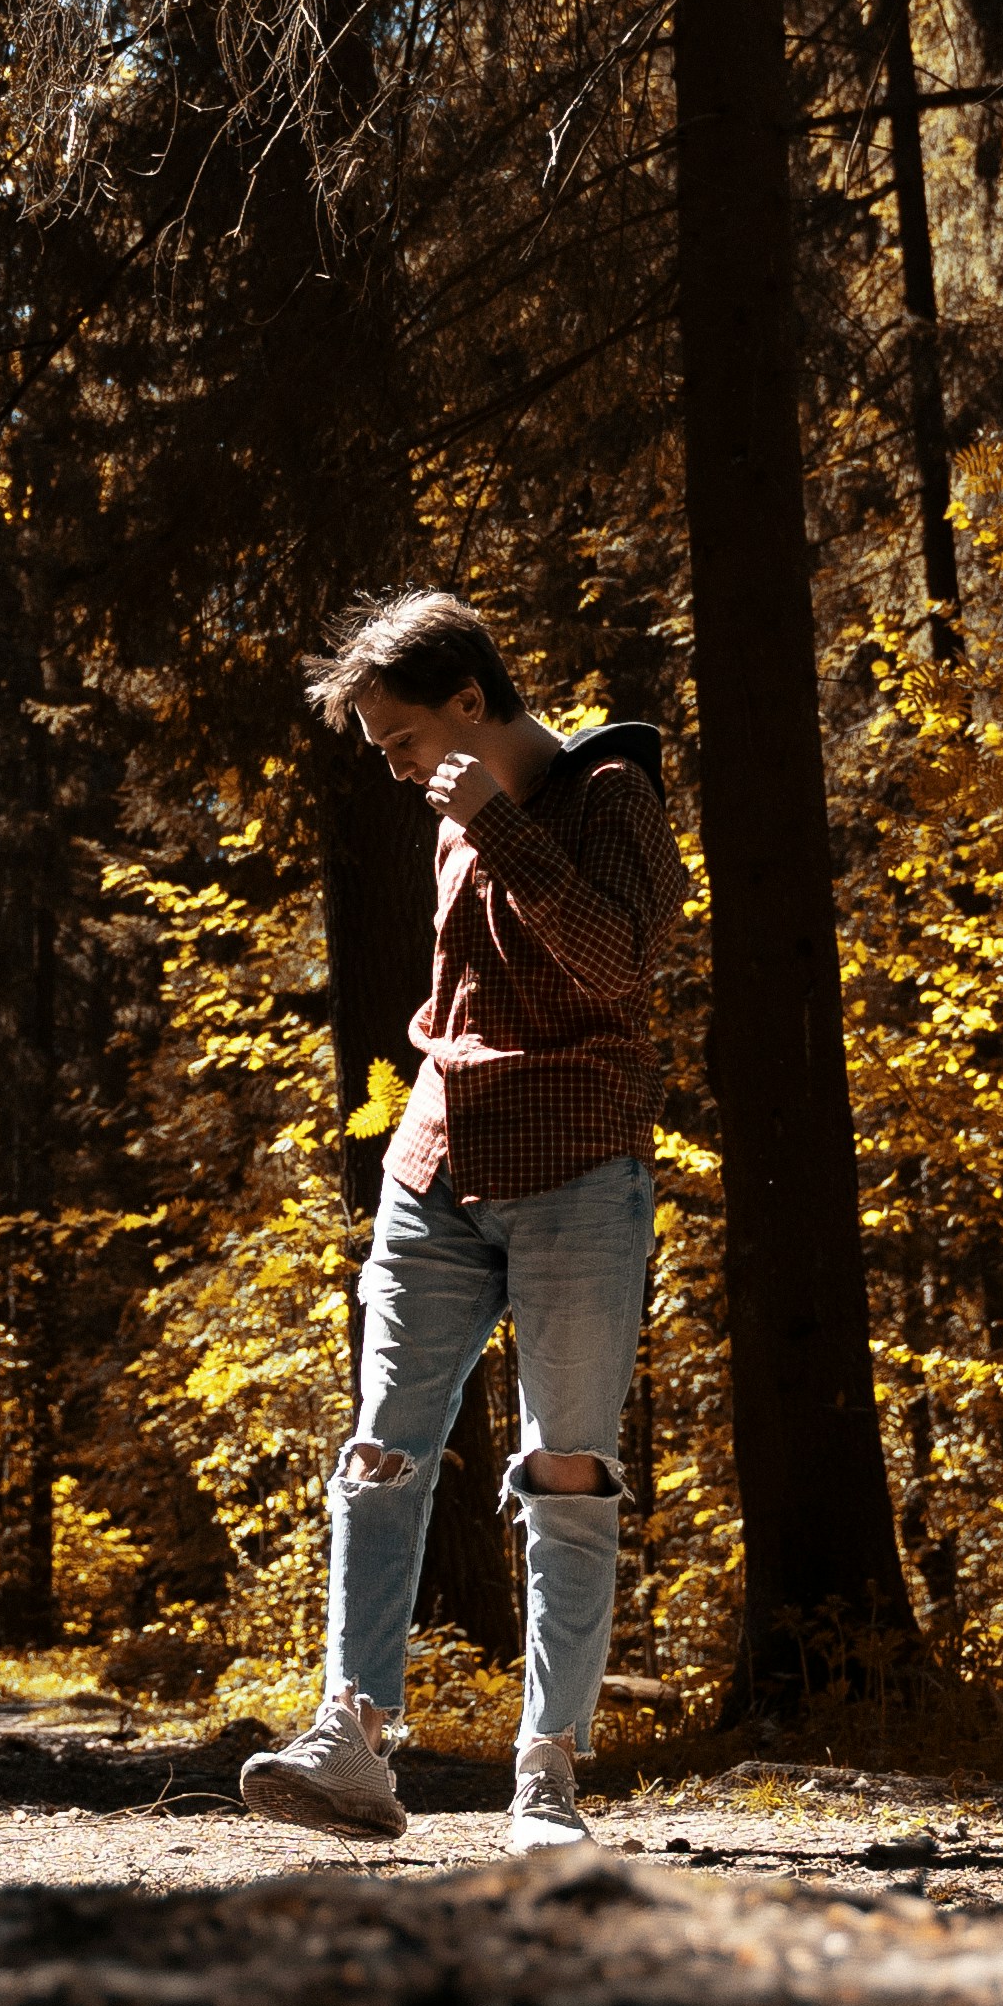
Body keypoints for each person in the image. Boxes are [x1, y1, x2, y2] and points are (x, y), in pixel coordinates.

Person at [239, 590, 686, 1855]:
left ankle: (545, 1778)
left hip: (577, 1169)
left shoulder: (612, 797)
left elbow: (616, 965)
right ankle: (352, 1736)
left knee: (568, 1473)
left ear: (471, 705)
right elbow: (459, 996)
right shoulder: (446, 823)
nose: (390, 764)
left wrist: (495, 824)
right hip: (436, 1164)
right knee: (382, 1449)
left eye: (397, 738)